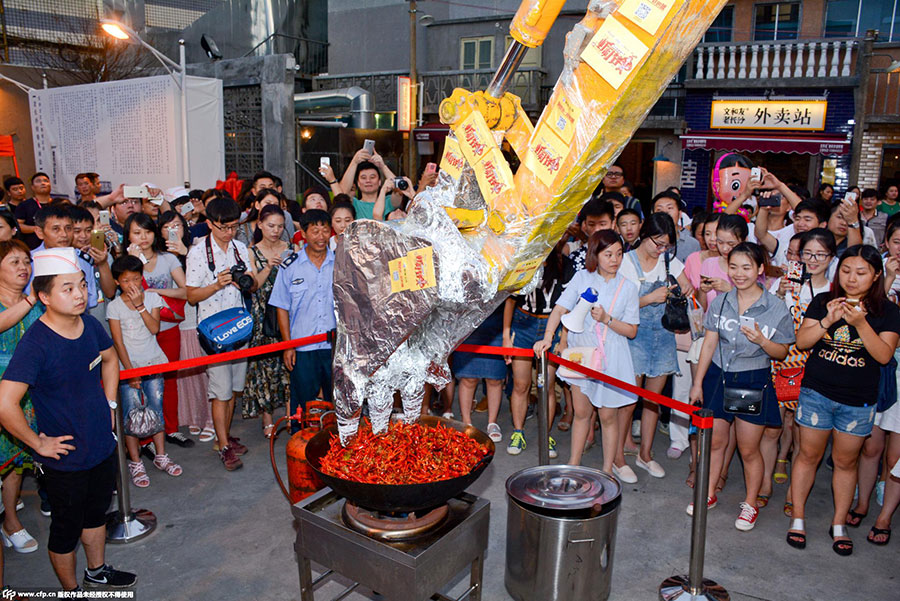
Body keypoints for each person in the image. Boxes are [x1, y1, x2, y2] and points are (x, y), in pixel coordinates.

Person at [0, 248, 136, 591]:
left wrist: (109, 403)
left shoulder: (90, 324)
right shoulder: (36, 344)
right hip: (64, 456)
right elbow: (5, 403)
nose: (80, 295)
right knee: (65, 528)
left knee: (96, 515)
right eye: (67, 288)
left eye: (81, 286)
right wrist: (37, 443)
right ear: (44, 296)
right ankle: (71, 591)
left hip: (101, 444)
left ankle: (97, 569)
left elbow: (109, 360)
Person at [789, 245, 900, 555]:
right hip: (816, 393)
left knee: (845, 462)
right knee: (807, 456)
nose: (852, 279)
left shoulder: (887, 312)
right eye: (847, 271)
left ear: (876, 275)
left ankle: (839, 523)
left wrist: (860, 323)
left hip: (858, 401)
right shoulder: (825, 300)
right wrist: (827, 320)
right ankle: (798, 518)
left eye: (861, 273)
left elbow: (883, 355)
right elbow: (802, 341)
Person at [688, 242, 793, 531]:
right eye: (733, 266)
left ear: (760, 269)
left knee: (749, 449)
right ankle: (707, 494)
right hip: (719, 378)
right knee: (716, 442)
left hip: (752, 380)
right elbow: (710, 341)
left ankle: (750, 503)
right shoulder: (721, 301)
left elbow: (782, 352)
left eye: (746, 267)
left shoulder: (775, 307)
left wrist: (762, 341)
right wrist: (698, 383)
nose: (739, 273)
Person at [540, 230, 640, 474]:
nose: (614, 259)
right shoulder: (582, 278)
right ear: (595, 254)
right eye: (608, 254)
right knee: (582, 413)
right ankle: (573, 465)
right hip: (581, 353)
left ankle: (607, 471)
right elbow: (560, 308)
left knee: (608, 417)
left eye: (618, 253)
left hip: (612, 356)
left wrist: (607, 319)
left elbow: (631, 331)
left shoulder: (628, 288)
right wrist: (548, 337)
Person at [762, 229, 835, 513]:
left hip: (813, 369)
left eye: (820, 254)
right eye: (807, 254)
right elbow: (765, 319)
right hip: (780, 362)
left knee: (806, 438)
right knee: (771, 429)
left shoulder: (834, 290)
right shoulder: (786, 283)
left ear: (831, 257)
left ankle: (796, 490)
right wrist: (779, 295)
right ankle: (765, 483)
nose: (813, 260)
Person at [620, 213, 694, 479]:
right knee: (628, 401)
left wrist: (684, 289)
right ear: (644, 234)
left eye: (666, 245)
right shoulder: (626, 263)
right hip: (633, 337)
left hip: (663, 338)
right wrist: (649, 298)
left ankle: (645, 454)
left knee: (653, 402)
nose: (661, 249)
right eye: (657, 243)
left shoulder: (669, 261)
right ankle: (618, 458)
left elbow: (688, 286)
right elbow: (617, 308)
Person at [186, 196, 255, 471]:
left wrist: (245, 285)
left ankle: (225, 436)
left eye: (234, 227)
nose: (230, 233)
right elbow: (192, 296)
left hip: (238, 326)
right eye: (224, 228)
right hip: (213, 331)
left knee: (235, 388)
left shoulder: (239, 247)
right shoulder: (198, 253)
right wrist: (216, 285)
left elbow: (251, 283)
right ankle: (223, 445)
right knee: (221, 391)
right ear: (209, 223)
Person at [107, 255, 182, 487]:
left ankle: (161, 455)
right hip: (129, 368)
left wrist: (140, 306)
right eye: (126, 280)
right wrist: (130, 372)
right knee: (132, 415)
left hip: (154, 361)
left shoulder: (152, 298)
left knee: (155, 410)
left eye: (137, 279)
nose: (132, 285)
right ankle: (136, 462)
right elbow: (118, 343)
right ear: (118, 281)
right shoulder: (114, 306)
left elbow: (154, 328)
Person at [121, 213, 191, 449]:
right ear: (128, 236)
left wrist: (152, 293)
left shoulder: (168, 259)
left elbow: (185, 291)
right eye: (136, 233)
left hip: (168, 328)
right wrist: (134, 262)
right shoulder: (125, 262)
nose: (143, 237)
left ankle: (170, 428)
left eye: (147, 231)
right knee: (141, 383)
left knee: (168, 381)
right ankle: (147, 437)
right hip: (138, 332)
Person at [503, 240, 572, 458]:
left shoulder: (565, 265)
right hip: (524, 324)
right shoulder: (524, 261)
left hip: (552, 326)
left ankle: (546, 434)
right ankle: (518, 431)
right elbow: (510, 301)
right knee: (521, 384)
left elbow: (570, 305)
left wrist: (564, 339)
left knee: (548, 386)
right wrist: (506, 335)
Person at [269, 209, 334, 432]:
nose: (320, 236)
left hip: (334, 347)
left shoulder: (340, 264)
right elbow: (281, 307)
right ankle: (300, 448)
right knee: (303, 405)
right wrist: (288, 346)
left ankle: (335, 448)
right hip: (303, 346)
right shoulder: (290, 266)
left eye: (325, 230)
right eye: (314, 231)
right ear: (304, 234)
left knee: (337, 401)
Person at [0, 241, 42, 555]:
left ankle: (11, 521)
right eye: (14, 261)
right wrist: (30, 299)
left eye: (26, 261)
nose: (23, 267)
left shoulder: (37, 305)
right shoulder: (30, 301)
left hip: (29, 392)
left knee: (16, 459)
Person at [244, 205, 291, 436]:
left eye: (280, 226)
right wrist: (269, 267)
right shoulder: (252, 252)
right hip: (262, 313)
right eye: (271, 225)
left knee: (288, 366)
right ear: (260, 225)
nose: (276, 231)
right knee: (264, 367)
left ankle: (291, 415)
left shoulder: (290, 248)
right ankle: (268, 418)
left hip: (287, 313)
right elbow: (254, 286)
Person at [453, 305, 507, 440]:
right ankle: (466, 422)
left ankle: (492, 422)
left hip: (496, 321)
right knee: (468, 378)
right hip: (468, 320)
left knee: (495, 379)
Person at [340, 144, 397, 220]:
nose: (368, 181)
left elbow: (400, 187)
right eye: (363, 178)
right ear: (358, 183)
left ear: (380, 181)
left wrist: (383, 166)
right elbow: (342, 193)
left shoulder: (388, 201)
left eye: (372, 177)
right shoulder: (354, 203)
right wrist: (354, 162)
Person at [651, 190, 699, 262]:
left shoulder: (692, 244)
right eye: (659, 209)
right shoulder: (647, 243)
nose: (665, 212)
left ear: (680, 214)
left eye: (670, 208)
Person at [569, 199, 616, 271]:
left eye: (602, 224)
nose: (597, 229)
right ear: (585, 225)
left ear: (613, 224)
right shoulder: (576, 258)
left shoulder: (625, 254)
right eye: (591, 224)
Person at [16, 173, 53, 249]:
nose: (43, 183)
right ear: (32, 187)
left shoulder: (58, 203)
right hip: (33, 247)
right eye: (38, 181)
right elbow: (19, 226)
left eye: (45, 181)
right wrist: (38, 229)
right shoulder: (24, 205)